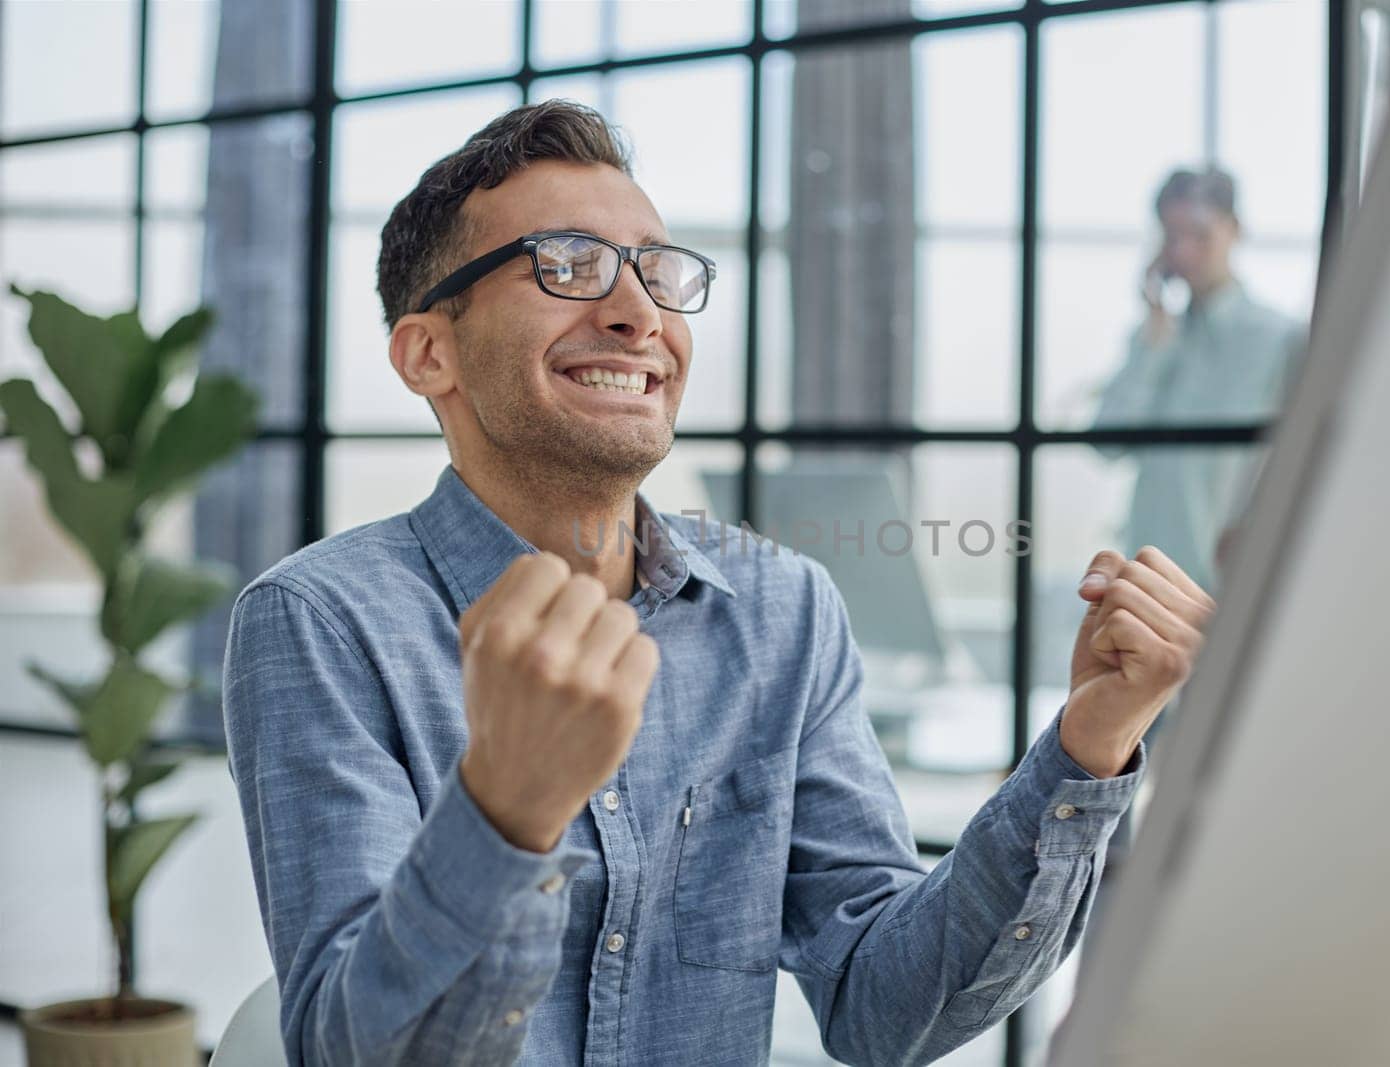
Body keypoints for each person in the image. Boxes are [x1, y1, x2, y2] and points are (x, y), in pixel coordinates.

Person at [221, 101, 1215, 1066]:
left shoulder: (784, 610)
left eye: (656, 272)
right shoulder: (319, 623)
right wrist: (503, 815)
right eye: (565, 266)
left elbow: (882, 1004)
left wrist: (1087, 747)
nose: (637, 313)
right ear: (427, 351)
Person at [1092, 166, 1305, 597]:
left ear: (1235, 230)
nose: (1184, 252)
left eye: (1199, 234)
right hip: (1147, 582)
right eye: (1171, 237)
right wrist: (1153, 339)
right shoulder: (1156, 338)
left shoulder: (1279, 340)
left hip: (1231, 584)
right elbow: (1106, 443)